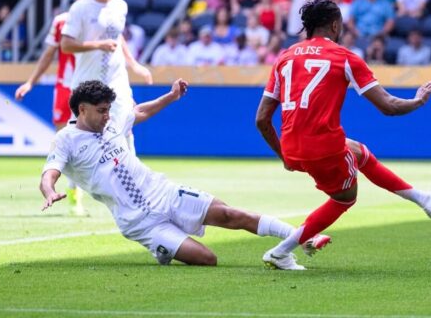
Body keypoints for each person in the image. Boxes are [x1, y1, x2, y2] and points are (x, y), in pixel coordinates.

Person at [40, 79, 322, 267]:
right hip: (139, 222)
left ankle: (299, 238)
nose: (107, 115)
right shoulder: (66, 140)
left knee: (230, 214)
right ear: (82, 109)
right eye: (101, 111)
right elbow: (49, 172)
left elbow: (139, 112)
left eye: (108, 110)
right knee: (207, 259)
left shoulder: (111, 122)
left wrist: (172, 96)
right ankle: (161, 247)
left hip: (164, 193)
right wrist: (50, 191)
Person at [255, 0, 431, 270]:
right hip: (323, 148)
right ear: (335, 25)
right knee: (344, 198)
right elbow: (388, 107)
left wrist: (283, 155)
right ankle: (281, 252)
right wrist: (417, 101)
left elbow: (262, 119)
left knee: (357, 150)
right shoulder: (345, 58)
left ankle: (423, 199)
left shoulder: (284, 58)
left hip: (291, 146)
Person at [15, 0, 93, 215]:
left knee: (83, 143)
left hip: (88, 90)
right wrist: (30, 82)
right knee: (63, 142)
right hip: (64, 88)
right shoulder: (62, 22)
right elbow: (48, 54)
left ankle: (76, 193)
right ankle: (70, 192)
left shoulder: (97, 22)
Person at [61, 0, 153, 151]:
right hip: (88, 79)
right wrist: (98, 45)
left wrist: (134, 65)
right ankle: (77, 176)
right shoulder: (80, 8)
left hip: (116, 78)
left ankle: (130, 175)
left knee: (126, 123)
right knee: (82, 131)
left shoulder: (120, 6)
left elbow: (117, 37)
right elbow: (66, 45)